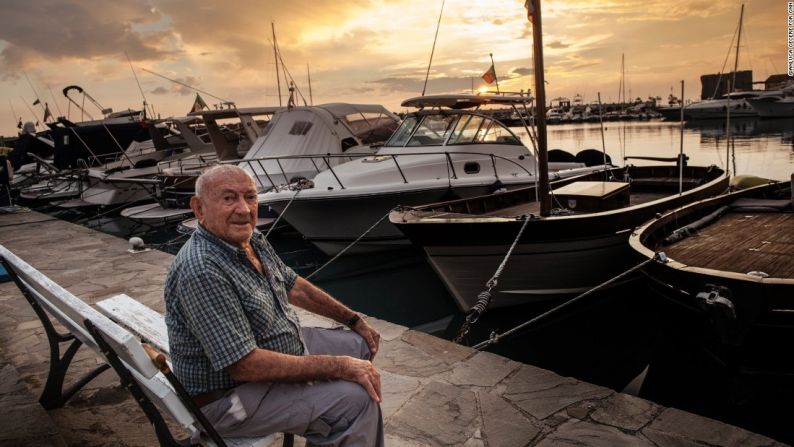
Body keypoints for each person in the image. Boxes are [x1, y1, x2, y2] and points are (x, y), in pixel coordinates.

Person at [164, 164, 384, 446]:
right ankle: (338, 420)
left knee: (361, 345)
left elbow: (294, 285)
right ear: (199, 209)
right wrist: (339, 368)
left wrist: (354, 320)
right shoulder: (203, 270)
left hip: (271, 350)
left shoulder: (249, 238)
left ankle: (332, 426)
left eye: (250, 197)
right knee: (356, 401)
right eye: (228, 198)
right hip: (230, 399)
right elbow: (244, 366)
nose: (244, 209)